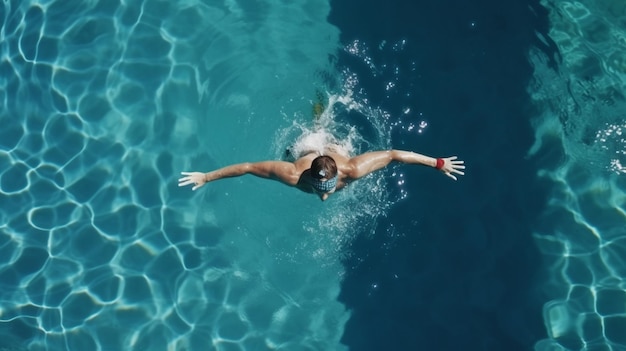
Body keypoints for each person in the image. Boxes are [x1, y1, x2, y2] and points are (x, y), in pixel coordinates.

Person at [178, 145, 465, 201]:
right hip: (308, 148)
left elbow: (392, 155)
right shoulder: (292, 174)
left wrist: (437, 163)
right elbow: (249, 167)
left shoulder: (352, 169)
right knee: (299, 145)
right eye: (318, 189)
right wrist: (206, 176)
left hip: (333, 148)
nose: (324, 197)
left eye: (326, 189)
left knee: (337, 142)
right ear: (308, 179)